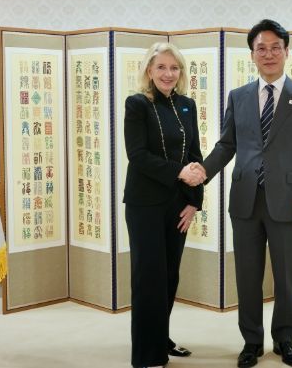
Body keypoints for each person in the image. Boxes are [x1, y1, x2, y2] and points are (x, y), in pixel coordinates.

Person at [193, 19, 292, 368]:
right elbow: (227, 145)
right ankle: (251, 341)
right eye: (261, 48)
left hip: (291, 203)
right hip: (245, 201)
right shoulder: (238, 97)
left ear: (286, 51)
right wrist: (202, 172)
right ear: (252, 54)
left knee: (287, 277)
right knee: (247, 277)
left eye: (275, 47)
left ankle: (285, 339)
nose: (268, 54)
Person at [123, 42, 206, 368]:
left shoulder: (187, 105)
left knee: (169, 276)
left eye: (174, 68)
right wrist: (179, 172)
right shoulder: (137, 104)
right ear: (149, 70)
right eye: (161, 67)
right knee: (149, 278)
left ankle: (161, 339)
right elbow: (137, 156)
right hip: (144, 205)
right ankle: (147, 355)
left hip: (177, 205)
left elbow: (194, 154)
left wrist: (194, 203)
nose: (168, 73)